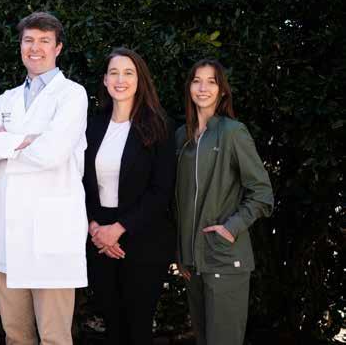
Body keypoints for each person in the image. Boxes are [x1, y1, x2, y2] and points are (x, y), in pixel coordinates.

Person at [0, 11, 88, 345]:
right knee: (16, 336)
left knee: (54, 337)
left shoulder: (72, 94)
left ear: (58, 48)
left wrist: (5, 142)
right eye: (29, 40)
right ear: (21, 46)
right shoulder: (6, 99)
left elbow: (52, 152)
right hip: (8, 233)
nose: (35, 48)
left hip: (51, 234)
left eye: (44, 41)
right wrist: (26, 140)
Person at [175, 59, 274, 345]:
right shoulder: (181, 136)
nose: (203, 88)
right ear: (189, 87)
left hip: (225, 258)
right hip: (192, 263)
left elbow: (262, 193)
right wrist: (181, 252)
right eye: (197, 80)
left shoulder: (233, 132)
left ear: (222, 91)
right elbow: (178, 199)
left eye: (212, 81)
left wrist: (231, 228)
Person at [83, 48, 176, 344]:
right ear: (105, 80)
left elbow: (161, 191)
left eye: (128, 73)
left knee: (138, 328)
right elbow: (79, 183)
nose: (120, 80)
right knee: (112, 325)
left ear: (140, 80)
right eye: (114, 73)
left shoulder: (159, 126)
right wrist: (94, 227)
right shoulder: (92, 126)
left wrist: (119, 229)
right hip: (99, 237)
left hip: (143, 237)